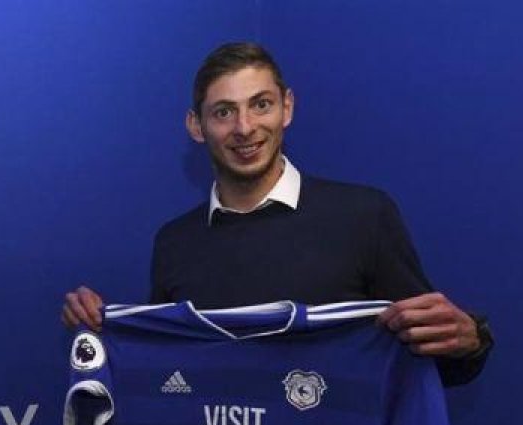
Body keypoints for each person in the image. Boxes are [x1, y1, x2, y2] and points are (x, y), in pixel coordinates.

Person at [62, 42, 491, 384]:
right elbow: (164, 374)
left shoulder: (364, 216)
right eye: (224, 112)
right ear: (196, 126)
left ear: (287, 107)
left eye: (261, 104)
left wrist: (469, 341)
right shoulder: (174, 241)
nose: (245, 128)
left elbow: (437, 359)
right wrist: (103, 332)